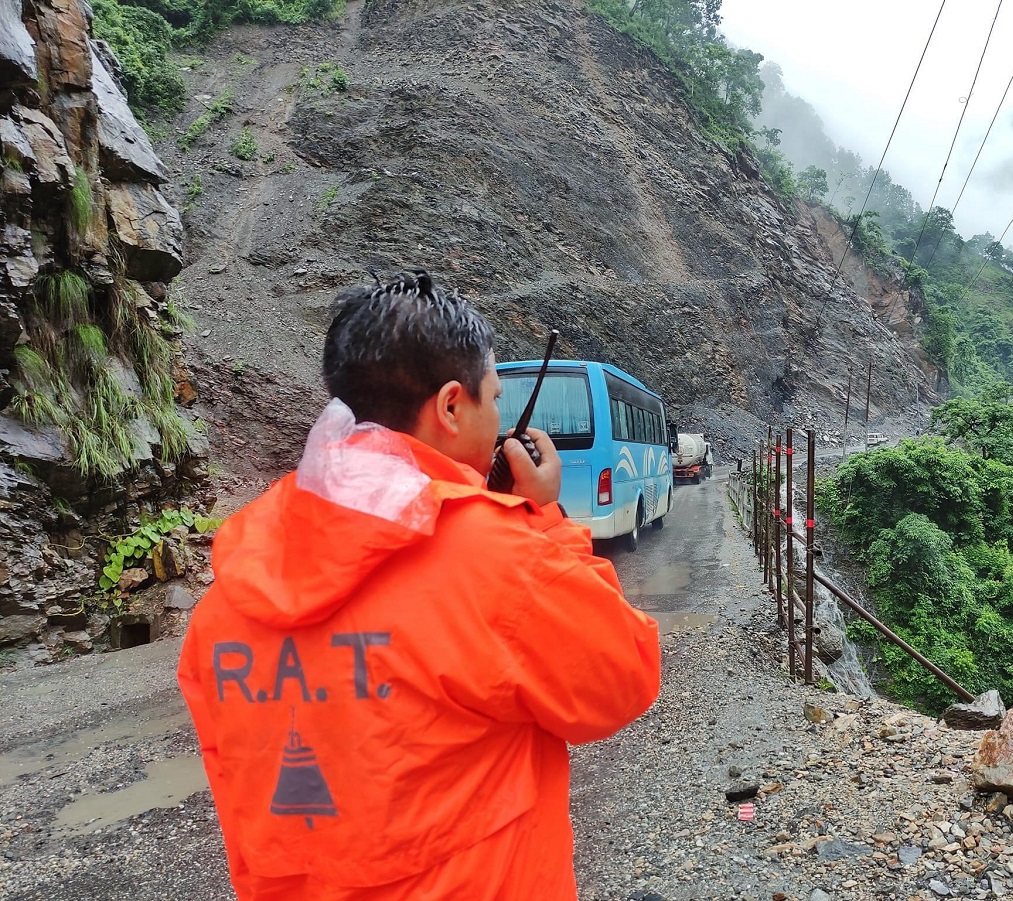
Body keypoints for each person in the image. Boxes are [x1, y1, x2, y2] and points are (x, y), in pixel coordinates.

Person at [177, 268, 661, 900]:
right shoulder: (499, 558)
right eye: (494, 399)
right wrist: (546, 520)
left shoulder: (231, 589)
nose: (498, 421)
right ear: (451, 406)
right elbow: (622, 676)